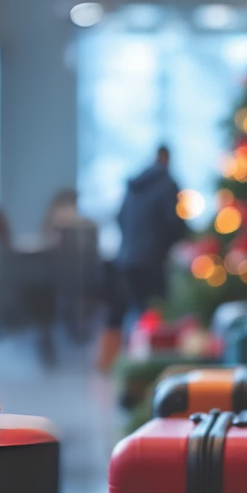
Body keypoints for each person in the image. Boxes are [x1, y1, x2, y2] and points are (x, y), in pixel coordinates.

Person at [96, 145, 187, 371]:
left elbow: (119, 216)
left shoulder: (135, 184)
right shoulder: (167, 183)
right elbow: (173, 223)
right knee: (152, 314)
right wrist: (178, 240)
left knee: (129, 310)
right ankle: (142, 368)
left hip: (125, 258)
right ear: (167, 159)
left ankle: (116, 364)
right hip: (151, 260)